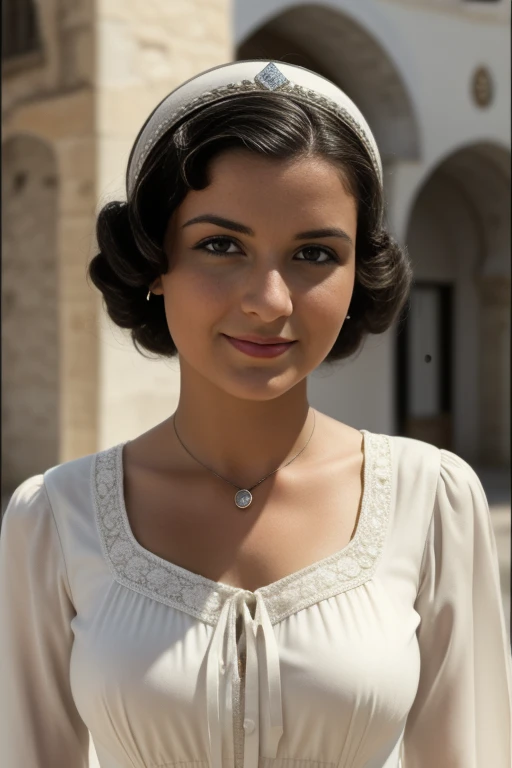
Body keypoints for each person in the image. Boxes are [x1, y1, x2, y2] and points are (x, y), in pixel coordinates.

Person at [0, 60, 510, 768]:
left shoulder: (435, 502)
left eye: (313, 253)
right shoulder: (54, 520)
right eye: (221, 246)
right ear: (155, 262)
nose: (271, 301)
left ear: (357, 270)